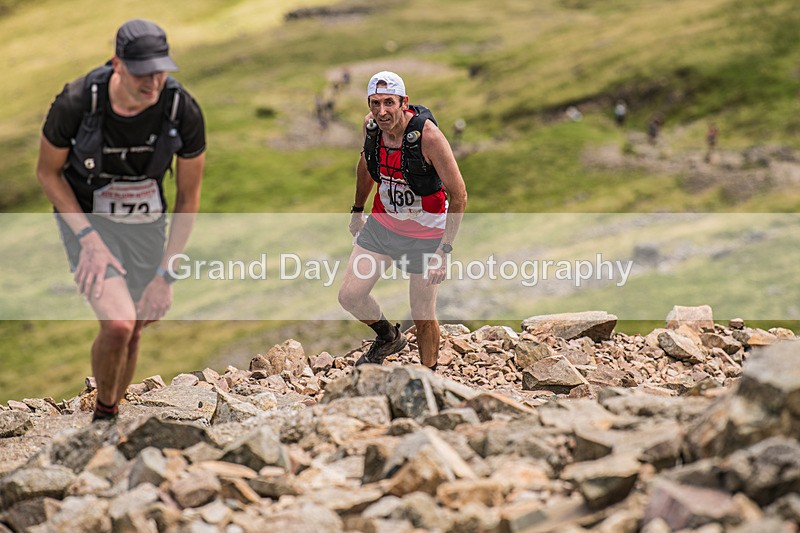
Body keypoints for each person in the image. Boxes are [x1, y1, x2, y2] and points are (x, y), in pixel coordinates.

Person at [36, 19, 206, 422]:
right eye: (141, 73)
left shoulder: (182, 109)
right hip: (86, 218)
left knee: (136, 326)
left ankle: (110, 410)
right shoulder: (78, 101)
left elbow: (188, 196)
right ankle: (104, 416)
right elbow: (48, 172)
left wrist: (167, 273)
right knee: (117, 323)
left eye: (160, 71)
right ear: (117, 64)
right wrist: (89, 239)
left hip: (146, 222)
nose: (152, 83)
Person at [338, 71, 467, 370]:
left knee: (422, 313)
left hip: (426, 234)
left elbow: (459, 196)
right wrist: (358, 210)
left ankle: (428, 376)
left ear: (403, 102)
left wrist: (444, 252)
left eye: (388, 103)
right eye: (374, 103)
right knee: (350, 296)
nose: (381, 111)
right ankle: (388, 337)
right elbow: (367, 166)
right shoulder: (371, 129)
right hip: (383, 225)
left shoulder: (429, 137)